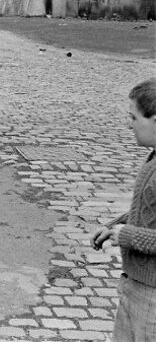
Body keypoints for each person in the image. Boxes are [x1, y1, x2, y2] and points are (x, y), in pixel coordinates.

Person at [90, 77, 156, 341]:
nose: (128, 123)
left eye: (134, 117)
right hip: (135, 285)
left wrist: (127, 235)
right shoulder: (153, 157)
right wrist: (114, 226)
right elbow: (148, 209)